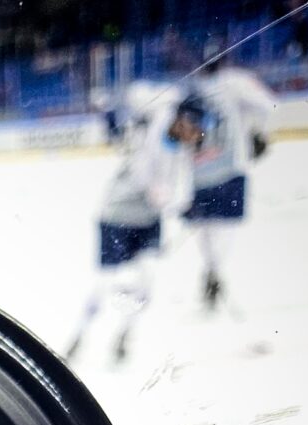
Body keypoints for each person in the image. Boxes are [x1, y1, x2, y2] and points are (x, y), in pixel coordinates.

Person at [65, 95, 204, 365]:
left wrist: (185, 203)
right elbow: (152, 187)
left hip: (148, 222)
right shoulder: (148, 139)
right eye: (193, 123)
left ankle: (124, 336)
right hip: (117, 218)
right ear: (180, 119)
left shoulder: (178, 146)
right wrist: (180, 206)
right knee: (105, 284)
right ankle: (79, 336)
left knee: (147, 281)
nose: (197, 132)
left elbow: (175, 187)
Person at [184, 54, 277, 310]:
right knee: (225, 225)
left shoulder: (193, 89)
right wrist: (258, 133)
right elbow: (267, 105)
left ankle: (212, 269)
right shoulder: (236, 81)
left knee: (204, 225)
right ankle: (215, 270)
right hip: (231, 166)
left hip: (199, 170)